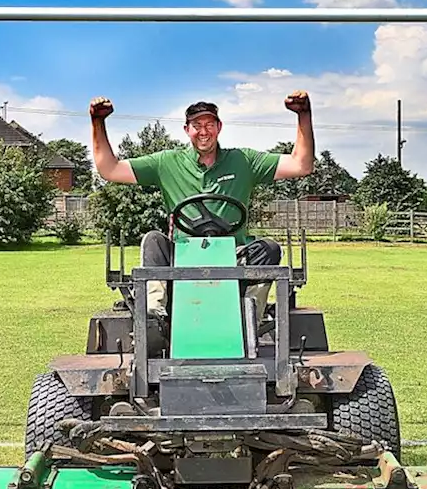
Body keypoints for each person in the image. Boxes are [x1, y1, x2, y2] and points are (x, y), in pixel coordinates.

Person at [89, 91, 315, 324]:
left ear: (219, 127)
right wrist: (98, 122)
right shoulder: (166, 162)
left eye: (209, 124)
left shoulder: (243, 161)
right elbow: (110, 170)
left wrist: (304, 115)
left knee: (269, 248)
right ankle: (153, 319)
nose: (204, 131)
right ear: (187, 130)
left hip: (233, 257)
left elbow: (301, 165)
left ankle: (249, 318)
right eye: (197, 125)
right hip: (182, 256)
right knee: (153, 240)